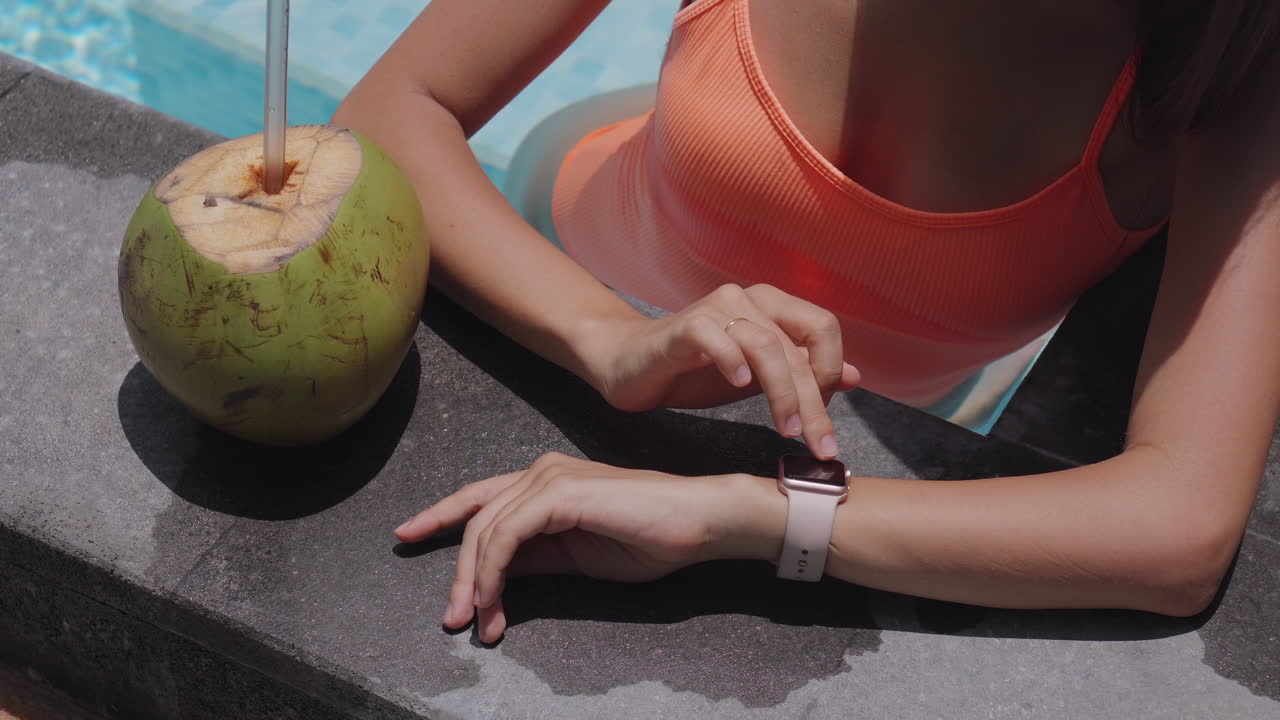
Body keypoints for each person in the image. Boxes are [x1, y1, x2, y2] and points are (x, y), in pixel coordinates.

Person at [333, 0, 1280, 644]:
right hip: (558, 239)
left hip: (858, 409)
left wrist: (745, 513)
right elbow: (389, 114)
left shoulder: (1235, 57)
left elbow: (1182, 530)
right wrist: (609, 337)